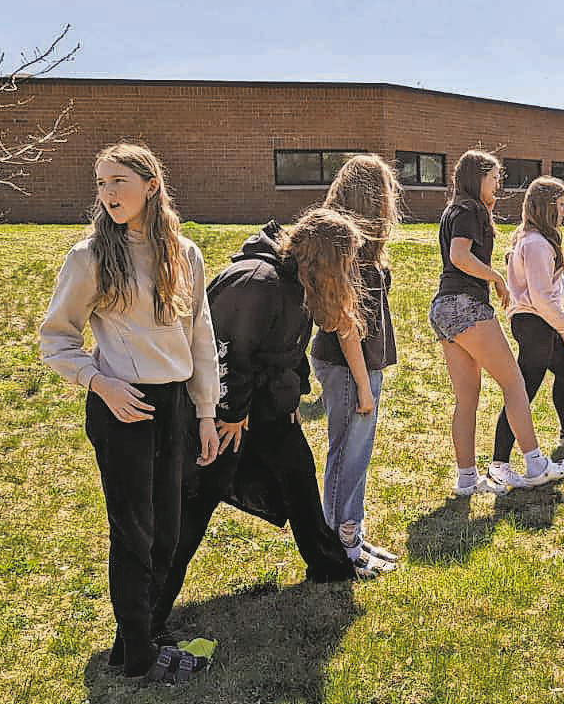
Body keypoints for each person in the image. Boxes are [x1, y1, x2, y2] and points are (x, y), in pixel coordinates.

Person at [39, 143, 220, 681]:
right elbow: (56, 340)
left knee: (167, 530)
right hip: (121, 406)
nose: (108, 193)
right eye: (100, 183)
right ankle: (141, 658)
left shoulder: (184, 254)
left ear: (151, 184)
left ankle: (136, 639)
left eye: (118, 180)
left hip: (173, 406)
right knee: (133, 533)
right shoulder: (90, 256)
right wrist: (101, 384)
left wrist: (206, 412)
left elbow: (200, 336)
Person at [154, 208, 365, 635]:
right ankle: (149, 613)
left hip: (267, 408)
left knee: (299, 477)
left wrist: (291, 395)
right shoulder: (257, 282)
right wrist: (229, 413)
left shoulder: (299, 283)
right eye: (346, 261)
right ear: (324, 258)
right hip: (223, 413)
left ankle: (328, 566)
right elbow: (226, 351)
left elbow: (290, 349)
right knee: (196, 503)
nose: (350, 271)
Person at [428, 150, 564, 495]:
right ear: (477, 177)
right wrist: (496, 278)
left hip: (444, 309)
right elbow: (459, 256)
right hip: (466, 305)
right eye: (494, 178)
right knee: (514, 384)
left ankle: (466, 480)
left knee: (467, 399)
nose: (498, 184)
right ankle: (536, 465)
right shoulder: (469, 209)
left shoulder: (456, 209)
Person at [309, 155, 401, 575]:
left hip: (361, 365)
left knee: (355, 452)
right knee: (348, 452)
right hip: (348, 366)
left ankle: (352, 535)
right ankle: (340, 544)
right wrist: (364, 386)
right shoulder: (344, 246)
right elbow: (345, 324)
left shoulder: (361, 247)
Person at [491, 177, 564, 487]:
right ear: (547, 206)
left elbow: (548, 293)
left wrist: (557, 324)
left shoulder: (536, 239)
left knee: (563, 368)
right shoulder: (536, 243)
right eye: (562, 203)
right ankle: (498, 463)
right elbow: (541, 296)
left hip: (540, 322)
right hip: (534, 322)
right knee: (521, 394)